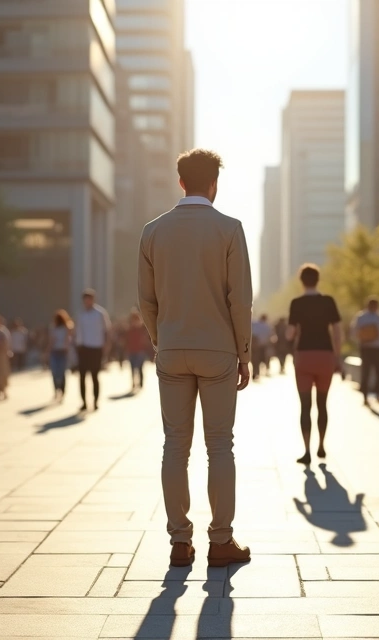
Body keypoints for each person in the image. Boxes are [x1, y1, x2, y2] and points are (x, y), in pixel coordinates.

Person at [137, 147, 253, 569]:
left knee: (175, 446)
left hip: (171, 347)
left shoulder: (153, 231)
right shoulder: (230, 229)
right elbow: (239, 300)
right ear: (214, 184)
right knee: (220, 446)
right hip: (219, 349)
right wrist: (244, 353)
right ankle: (221, 541)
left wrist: (160, 339)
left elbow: (145, 300)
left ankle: (179, 542)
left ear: (181, 181)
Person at [287, 265, 343, 465]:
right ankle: (321, 446)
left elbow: (290, 333)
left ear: (301, 281)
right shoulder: (328, 302)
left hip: (304, 356)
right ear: (318, 280)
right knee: (322, 404)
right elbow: (337, 331)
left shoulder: (296, 303)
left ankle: (306, 450)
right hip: (325, 356)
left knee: (305, 406)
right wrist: (338, 356)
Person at [75, 290, 111, 412]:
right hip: (83, 348)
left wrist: (106, 345)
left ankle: (95, 401)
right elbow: (78, 332)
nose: (87, 302)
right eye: (85, 300)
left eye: (89, 299)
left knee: (95, 376)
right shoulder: (81, 315)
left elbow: (107, 330)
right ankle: (84, 402)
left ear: (93, 300)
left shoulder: (100, 313)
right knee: (82, 376)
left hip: (96, 348)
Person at [353, 298, 379, 406]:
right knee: (371, 372)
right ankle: (371, 395)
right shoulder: (376, 318)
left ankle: (373, 395)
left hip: (370, 348)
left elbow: (354, 332)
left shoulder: (362, 317)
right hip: (371, 348)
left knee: (372, 372)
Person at [48, 310, 74, 401]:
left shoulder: (66, 327)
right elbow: (52, 340)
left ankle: (62, 390)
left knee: (61, 372)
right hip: (55, 351)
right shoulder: (53, 328)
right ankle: (56, 390)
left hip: (62, 351)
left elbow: (68, 339)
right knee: (55, 372)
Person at [125, 310, 152, 392]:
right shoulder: (129, 330)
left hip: (140, 351)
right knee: (132, 368)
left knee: (140, 367)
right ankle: (133, 382)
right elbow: (126, 340)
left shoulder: (143, 329)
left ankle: (140, 383)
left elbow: (147, 340)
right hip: (131, 351)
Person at [250, 314, 274, 380]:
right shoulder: (268, 326)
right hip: (264, 346)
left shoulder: (254, 325)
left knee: (255, 361)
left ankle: (256, 373)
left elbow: (252, 334)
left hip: (255, 346)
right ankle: (266, 370)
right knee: (266, 359)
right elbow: (271, 336)